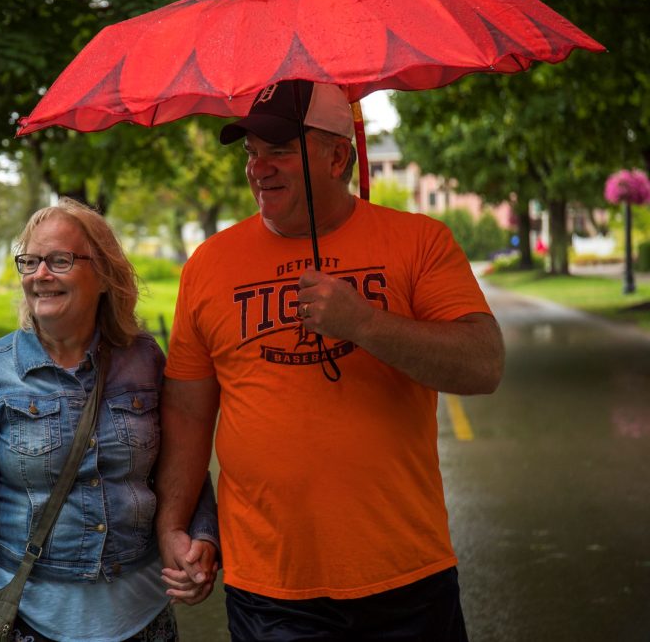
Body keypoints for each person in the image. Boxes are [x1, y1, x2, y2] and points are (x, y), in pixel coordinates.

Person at [154, 79, 505, 641]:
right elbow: (189, 414)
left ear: (338, 155)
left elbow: (483, 365)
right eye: (251, 152)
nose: (258, 168)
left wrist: (363, 322)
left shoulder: (420, 242)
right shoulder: (208, 266)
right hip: (271, 588)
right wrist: (173, 526)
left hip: (405, 575)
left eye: (279, 151)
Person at [0, 198, 219, 642]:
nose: (40, 275)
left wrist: (201, 537)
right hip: (31, 623)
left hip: (144, 620)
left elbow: (181, 463)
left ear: (104, 275)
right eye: (29, 262)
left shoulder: (144, 360)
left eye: (60, 260)